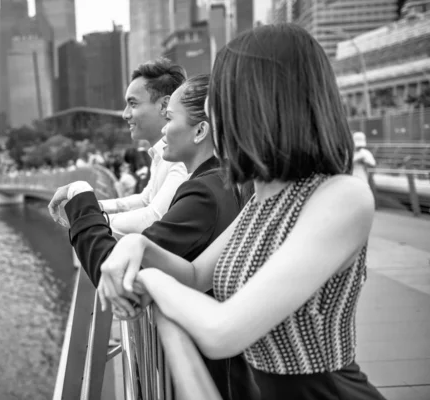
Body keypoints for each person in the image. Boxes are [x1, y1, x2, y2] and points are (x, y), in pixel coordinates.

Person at [98, 24, 385, 400]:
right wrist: (138, 247)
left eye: (221, 98)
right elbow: (197, 276)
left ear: (259, 102)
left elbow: (222, 332)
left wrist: (150, 281)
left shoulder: (341, 197)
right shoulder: (260, 199)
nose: (213, 114)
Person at [55, 74, 256, 399]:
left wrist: (81, 201)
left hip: (212, 378)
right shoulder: (232, 182)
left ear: (200, 130)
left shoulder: (204, 194)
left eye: (170, 118)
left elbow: (117, 273)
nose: (163, 133)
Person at [48, 58, 189, 238]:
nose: (125, 114)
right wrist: (96, 208)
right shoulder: (159, 154)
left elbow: (154, 218)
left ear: (164, 105)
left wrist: (88, 219)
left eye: (133, 104)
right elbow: (145, 200)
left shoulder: (181, 156)